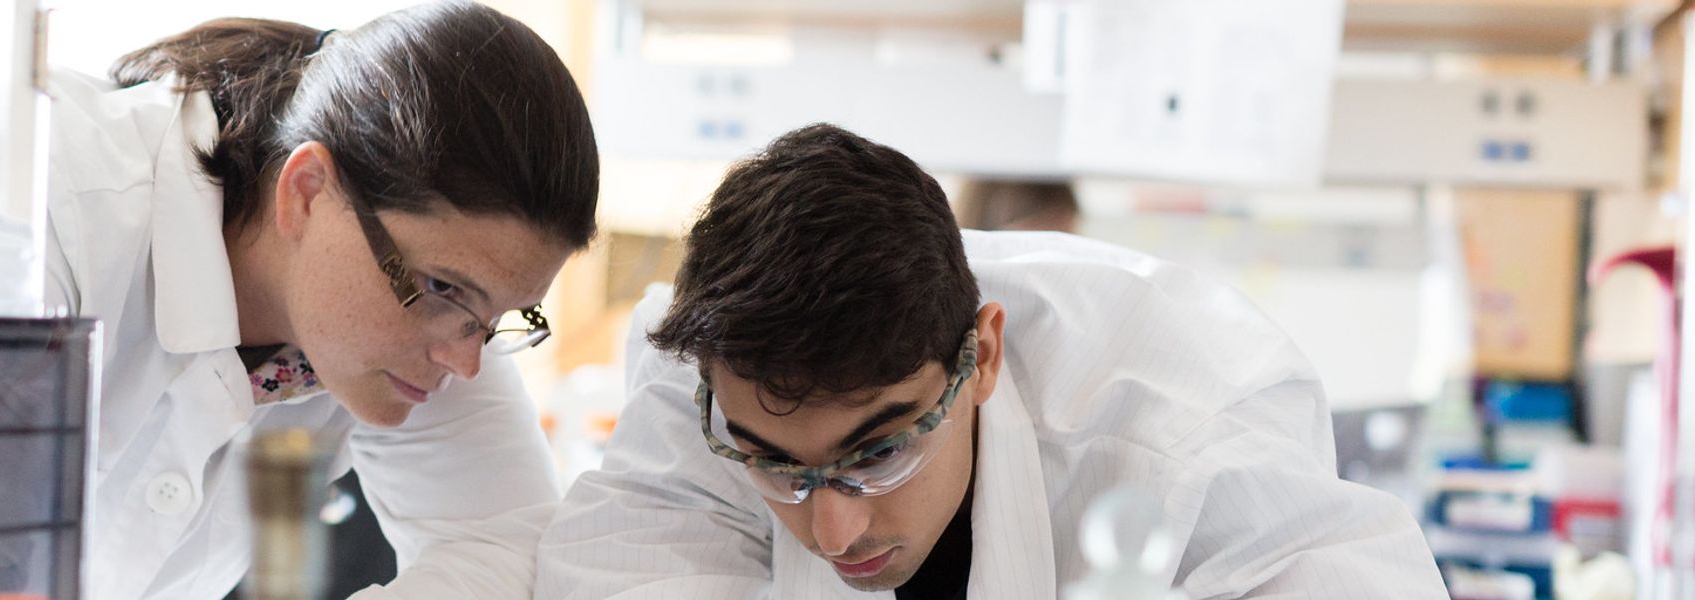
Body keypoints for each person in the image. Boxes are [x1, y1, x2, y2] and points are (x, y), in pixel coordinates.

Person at [535, 124, 1444, 599]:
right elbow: (621, 572)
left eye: (880, 451)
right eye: (778, 468)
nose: (835, 533)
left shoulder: (1180, 421)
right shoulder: (712, 383)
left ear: (985, 356)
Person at [50, 2, 599, 598]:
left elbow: (503, 547)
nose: (465, 365)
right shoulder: (54, 207)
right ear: (307, 191)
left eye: (498, 319)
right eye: (442, 289)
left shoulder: (442, 318)